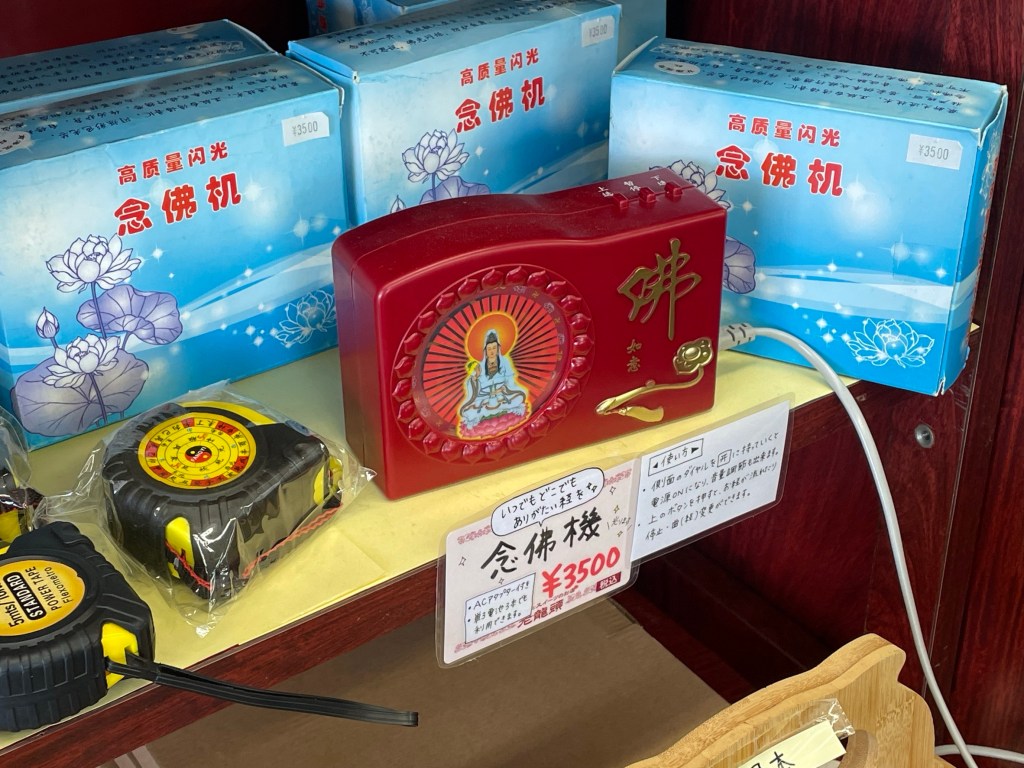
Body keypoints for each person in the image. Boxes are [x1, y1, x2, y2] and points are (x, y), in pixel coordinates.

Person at [458, 330, 528, 438]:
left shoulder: (504, 361)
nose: (492, 351)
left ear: (498, 348)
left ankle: (501, 413)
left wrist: (504, 388)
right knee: (469, 411)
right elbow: (472, 383)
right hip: (484, 396)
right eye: (489, 348)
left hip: (502, 393)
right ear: (485, 350)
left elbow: (510, 379)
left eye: (494, 348)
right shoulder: (480, 366)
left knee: (519, 397)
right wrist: (474, 379)